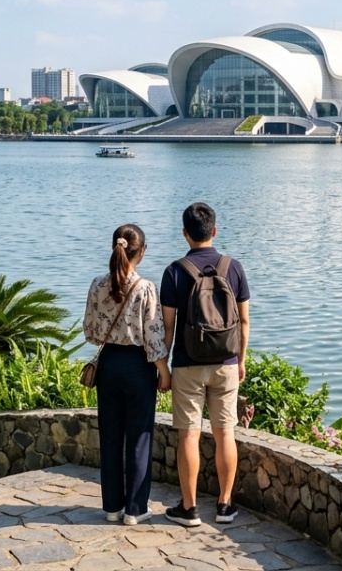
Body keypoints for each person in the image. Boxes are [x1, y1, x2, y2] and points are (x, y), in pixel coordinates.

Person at [160, 202, 250, 527]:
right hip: (226, 362)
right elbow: (244, 322)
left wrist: (165, 368)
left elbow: (167, 328)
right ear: (214, 231)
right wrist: (240, 360)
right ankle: (225, 506)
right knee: (226, 432)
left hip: (187, 364)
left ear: (185, 233)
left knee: (189, 435)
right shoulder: (234, 267)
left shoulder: (174, 271)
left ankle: (189, 508)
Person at [82, 224, 170, 525]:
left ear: (115, 247)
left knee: (110, 437)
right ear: (141, 251)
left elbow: (90, 332)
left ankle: (111, 507)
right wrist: (164, 372)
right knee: (139, 437)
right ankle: (135, 509)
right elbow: (154, 338)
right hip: (138, 367)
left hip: (108, 366)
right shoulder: (145, 288)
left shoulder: (96, 284)